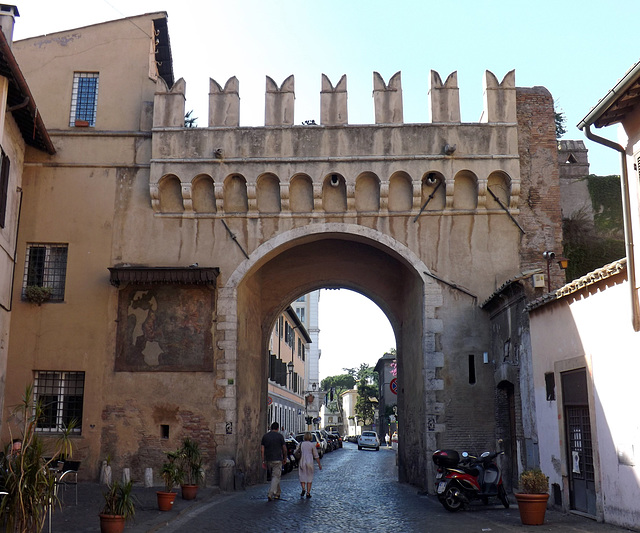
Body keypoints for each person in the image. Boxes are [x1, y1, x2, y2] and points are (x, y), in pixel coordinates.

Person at [260, 422, 287, 501]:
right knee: (276, 476)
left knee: (275, 476)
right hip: (277, 459)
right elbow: (284, 449)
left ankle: (277, 493)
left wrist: (263, 460)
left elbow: (262, 450)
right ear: (278, 428)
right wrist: (285, 458)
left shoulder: (265, 436)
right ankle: (270, 493)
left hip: (268, 459)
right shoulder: (280, 436)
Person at [297, 431, 321, 498]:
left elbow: (296, 451)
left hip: (302, 460)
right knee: (309, 477)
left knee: (302, 476)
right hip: (309, 461)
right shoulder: (312, 445)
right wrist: (319, 464)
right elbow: (316, 455)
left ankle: (303, 488)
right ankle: (308, 492)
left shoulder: (301, 444)